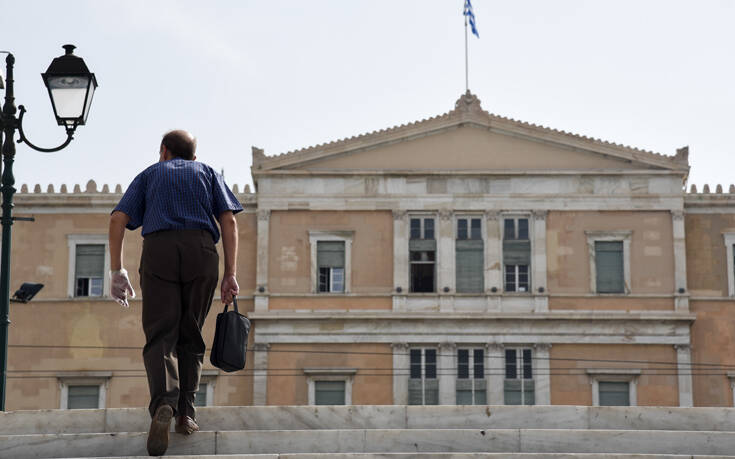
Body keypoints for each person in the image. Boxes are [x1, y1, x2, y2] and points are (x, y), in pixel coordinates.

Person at [108, 130, 242, 456]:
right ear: (193, 157)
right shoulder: (208, 173)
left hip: (159, 250)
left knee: (160, 335)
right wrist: (230, 274)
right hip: (201, 250)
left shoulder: (150, 174)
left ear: (163, 151)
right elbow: (229, 221)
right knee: (191, 333)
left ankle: (163, 405)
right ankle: (185, 414)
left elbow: (118, 219)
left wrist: (117, 271)